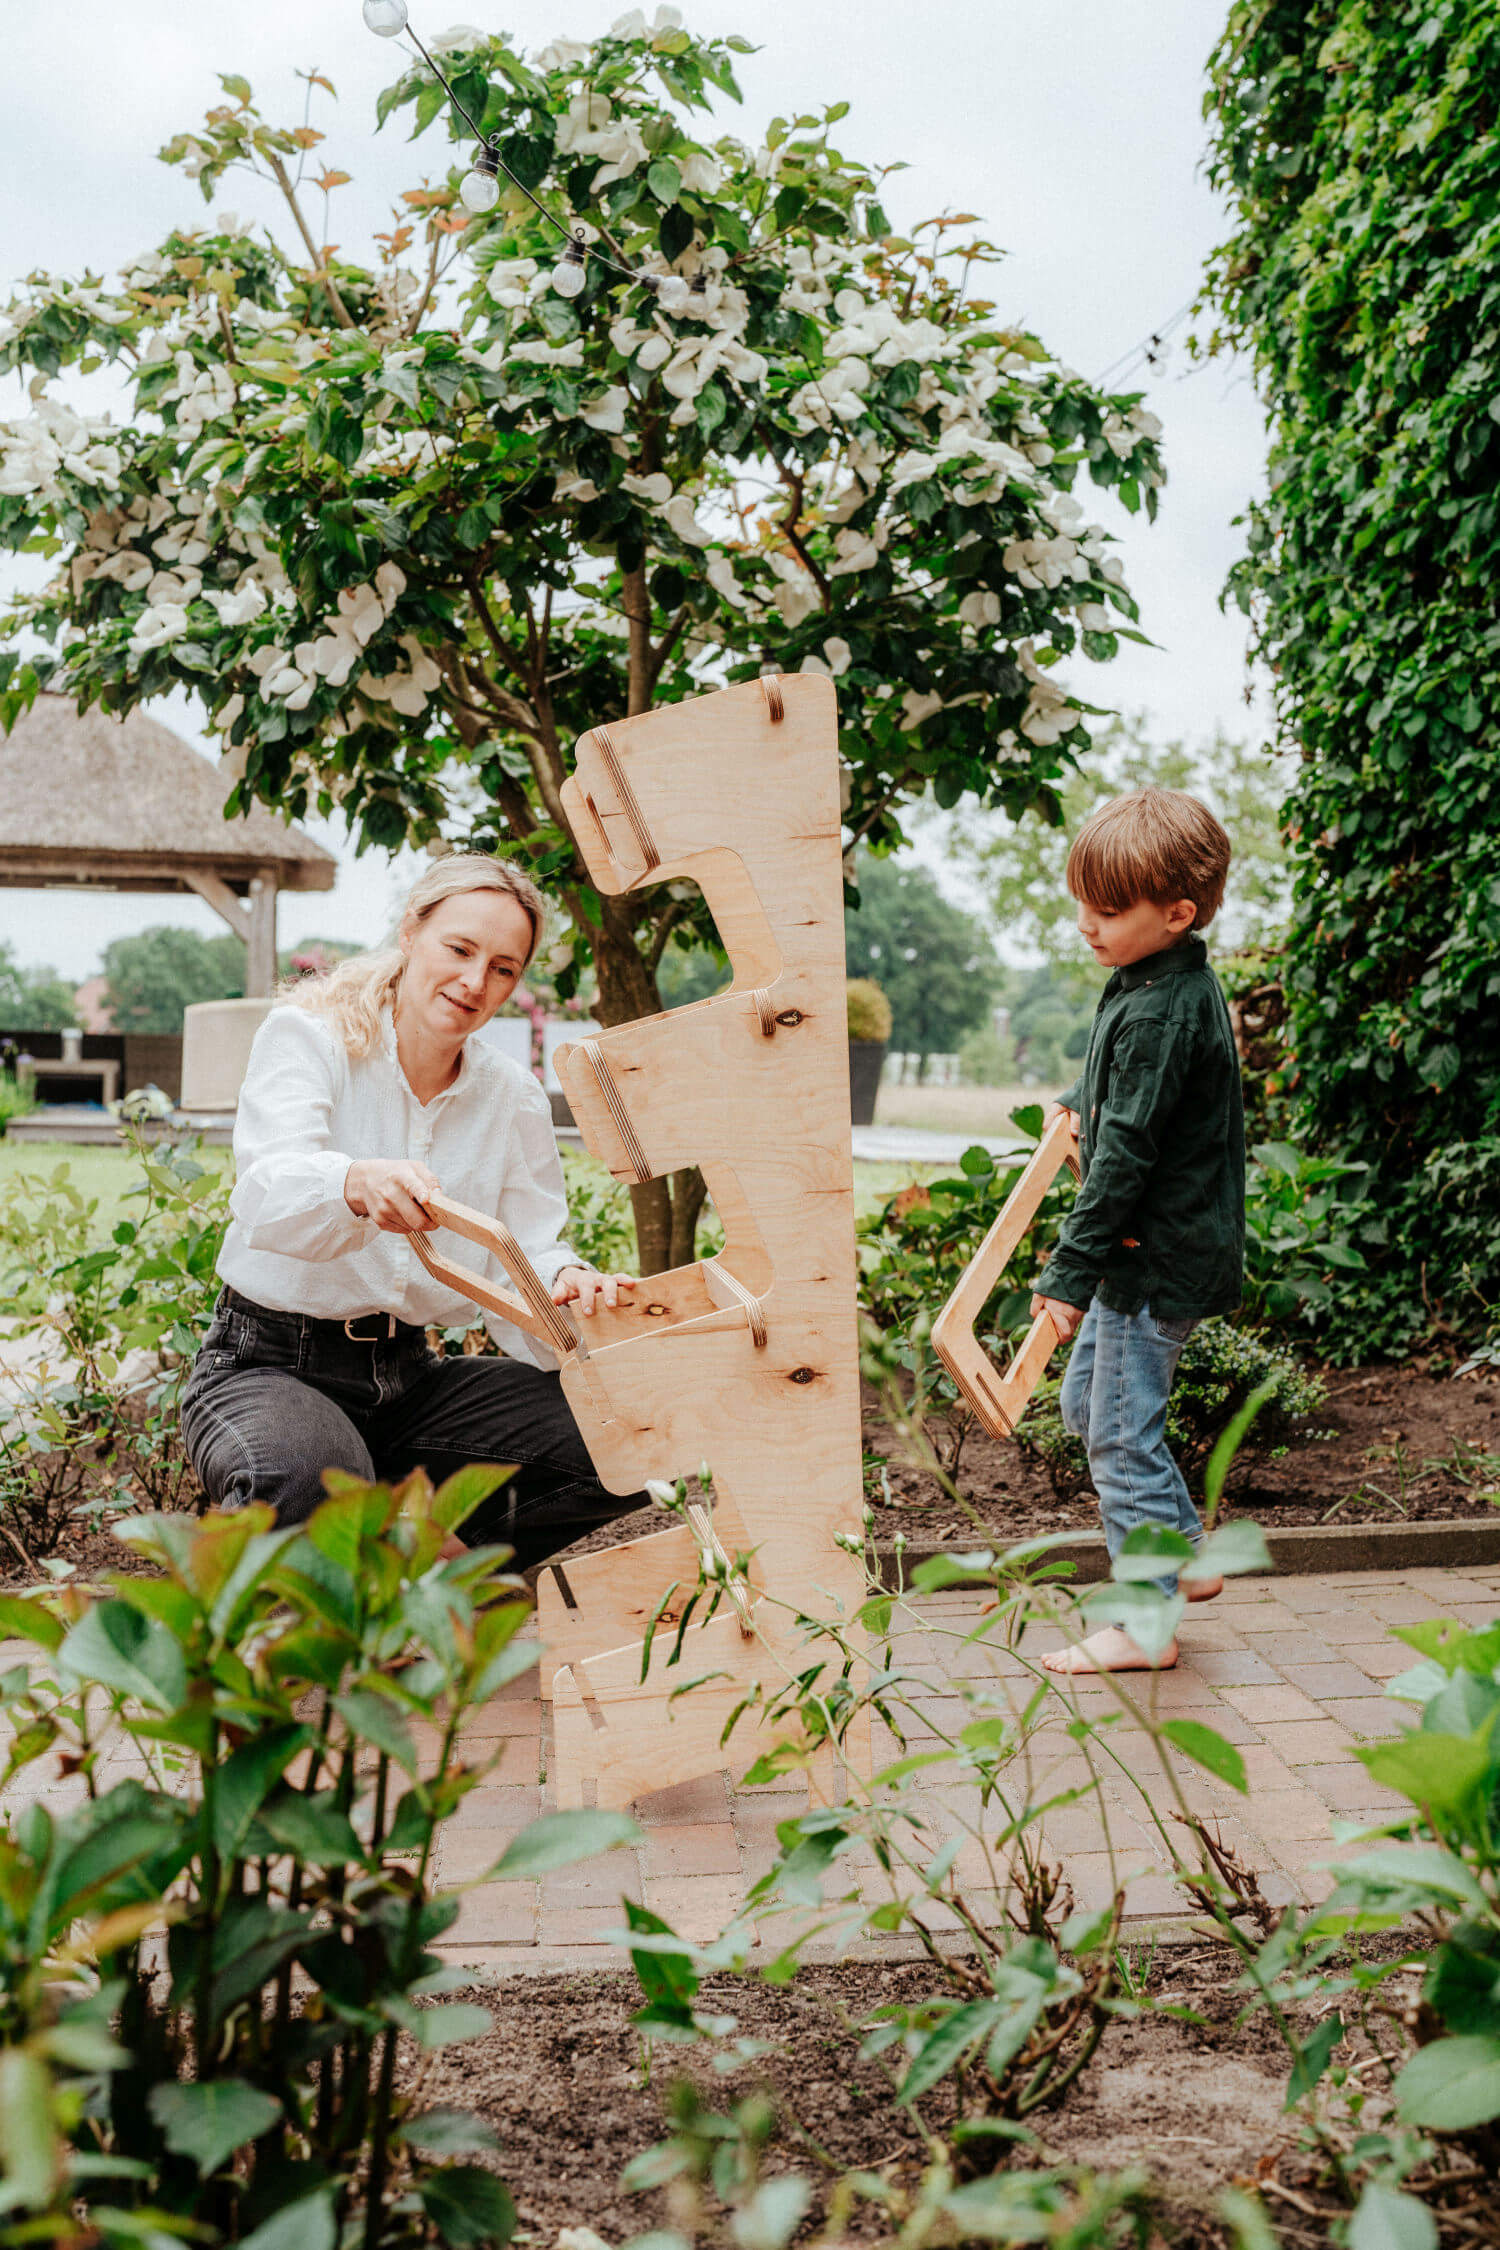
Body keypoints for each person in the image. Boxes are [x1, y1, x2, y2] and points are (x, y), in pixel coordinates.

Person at [181, 853, 644, 1570]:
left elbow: (528, 1251)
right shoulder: (310, 1035)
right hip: (270, 1364)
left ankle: (436, 1571)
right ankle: (299, 1612)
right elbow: (266, 1191)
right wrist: (353, 1184)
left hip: (409, 1378)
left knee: (633, 1430)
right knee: (311, 1486)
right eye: (459, 949)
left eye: (502, 968)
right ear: (410, 932)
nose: (474, 982)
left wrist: (568, 1283)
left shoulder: (512, 1097)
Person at [1027, 788, 1246, 1675]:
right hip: (1159, 1251)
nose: (1087, 923)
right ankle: (1182, 1555)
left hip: (1148, 1258)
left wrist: (1067, 1270)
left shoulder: (1160, 1006)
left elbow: (1124, 1159)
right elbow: (1143, 1099)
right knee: (1093, 1409)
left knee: (1119, 1435)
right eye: (1083, 901)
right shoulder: (1157, 979)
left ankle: (1145, 1622)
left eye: (1108, 909)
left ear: (1178, 913)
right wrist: (1083, 1099)